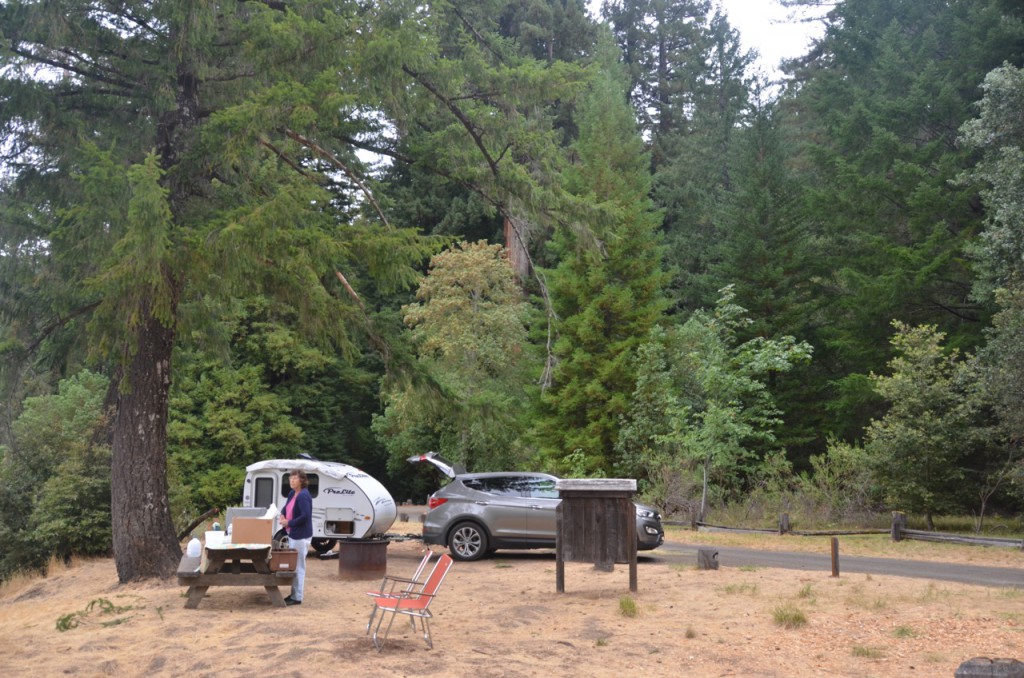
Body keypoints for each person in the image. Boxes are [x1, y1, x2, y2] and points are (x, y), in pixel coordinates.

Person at [278, 468, 313, 606]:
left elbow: (305, 516)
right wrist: (282, 514)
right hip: (293, 533)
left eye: (295, 478)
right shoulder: (293, 493)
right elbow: (286, 507)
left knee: (298, 566)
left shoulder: (303, 495)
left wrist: (289, 522)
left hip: (301, 535)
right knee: (294, 566)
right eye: (290, 478)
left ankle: (297, 597)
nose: (291, 480)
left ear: (302, 480)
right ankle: (293, 594)